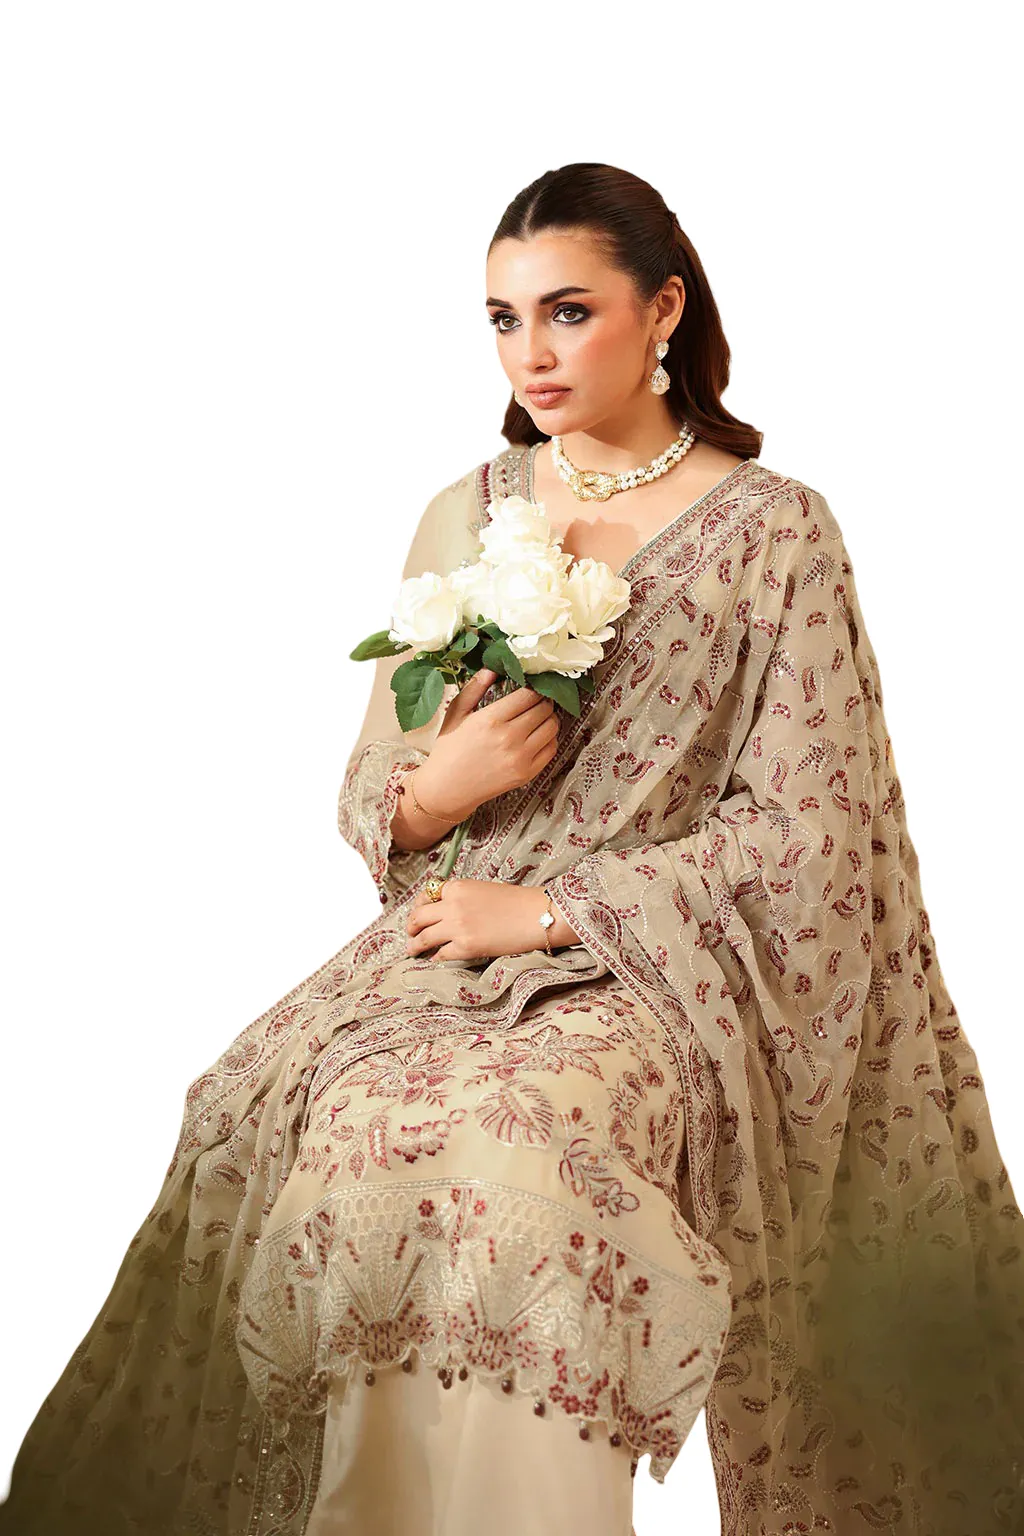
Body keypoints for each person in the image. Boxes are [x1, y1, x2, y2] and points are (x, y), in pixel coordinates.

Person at [2, 161, 1022, 1536]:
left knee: (515, 1143)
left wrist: (550, 914)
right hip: (440, 952)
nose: (529, 353)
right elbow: (376, 783)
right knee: (303, 1121)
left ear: (664, 310)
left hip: (659, 972)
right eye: (502, 319)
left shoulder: (775, 531)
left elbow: (811, 838)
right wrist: (439, 789)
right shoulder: (469, 511)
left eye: (567, 312)